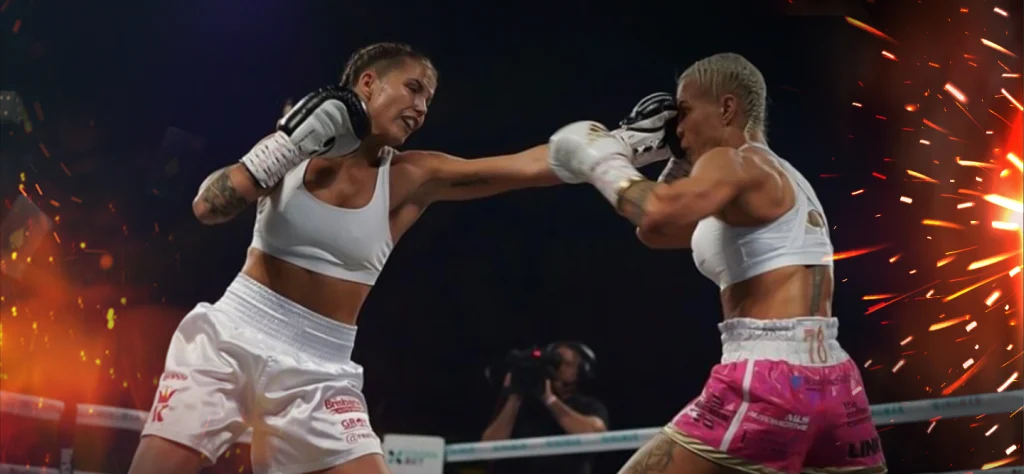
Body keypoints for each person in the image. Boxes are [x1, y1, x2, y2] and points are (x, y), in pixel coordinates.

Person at [128, 42, 660, 474]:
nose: (423, 107)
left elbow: (522, 167)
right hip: (234, 335)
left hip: (323, 368)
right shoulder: (297, 140)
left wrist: (620, 143)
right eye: (413, 88)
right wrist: (285, 144)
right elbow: (208, 205)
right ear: (367, 83)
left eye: (429, 99)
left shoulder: (411, 177)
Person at [548, 52, 887, 474]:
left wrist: (602, 160)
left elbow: (656, 212)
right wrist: (676, 160)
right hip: (836, 382)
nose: (678, 127)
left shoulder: (733, 159)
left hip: (769, 377)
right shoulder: (783, 178)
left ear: (727, 108)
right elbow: (658, 232)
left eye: (685, 112)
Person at [482, 341, 609, 474]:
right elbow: (487, 450)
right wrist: (514, 397)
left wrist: (549, 399)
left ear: (582, 370)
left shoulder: (587, 405)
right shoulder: (524, 407)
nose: (558, 368)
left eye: (566, 364)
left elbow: (596, 434)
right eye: (553, 362)